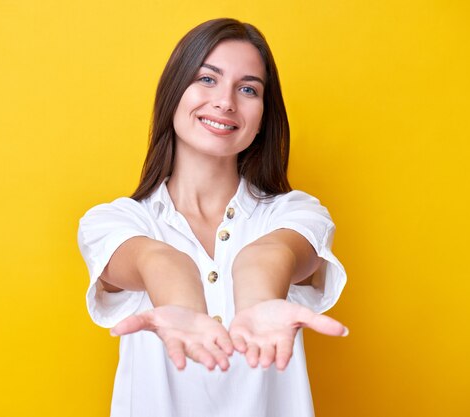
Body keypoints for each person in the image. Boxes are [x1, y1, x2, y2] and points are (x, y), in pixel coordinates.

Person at [78, 18, 348, 417]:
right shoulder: (112, 223)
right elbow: (155, 259)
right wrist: (183, 306)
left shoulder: (298, 213)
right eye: (207, 79)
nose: (225, 102)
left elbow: (272, 253)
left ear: (262, 117)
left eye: (248, 89)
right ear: (173, 93)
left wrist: (257, 303)